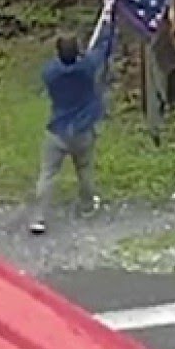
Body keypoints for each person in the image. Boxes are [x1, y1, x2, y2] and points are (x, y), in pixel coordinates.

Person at [30, 18, 114, 235]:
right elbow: (102, 50)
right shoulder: (87, 68)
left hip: (57, 130)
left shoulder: (50, 73)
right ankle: (87, 205)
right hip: (82, 130)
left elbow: (57, 66)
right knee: (84, 169)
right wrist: (106, 25)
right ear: (78, 52)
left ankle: (39, 217)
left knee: (48, 173)